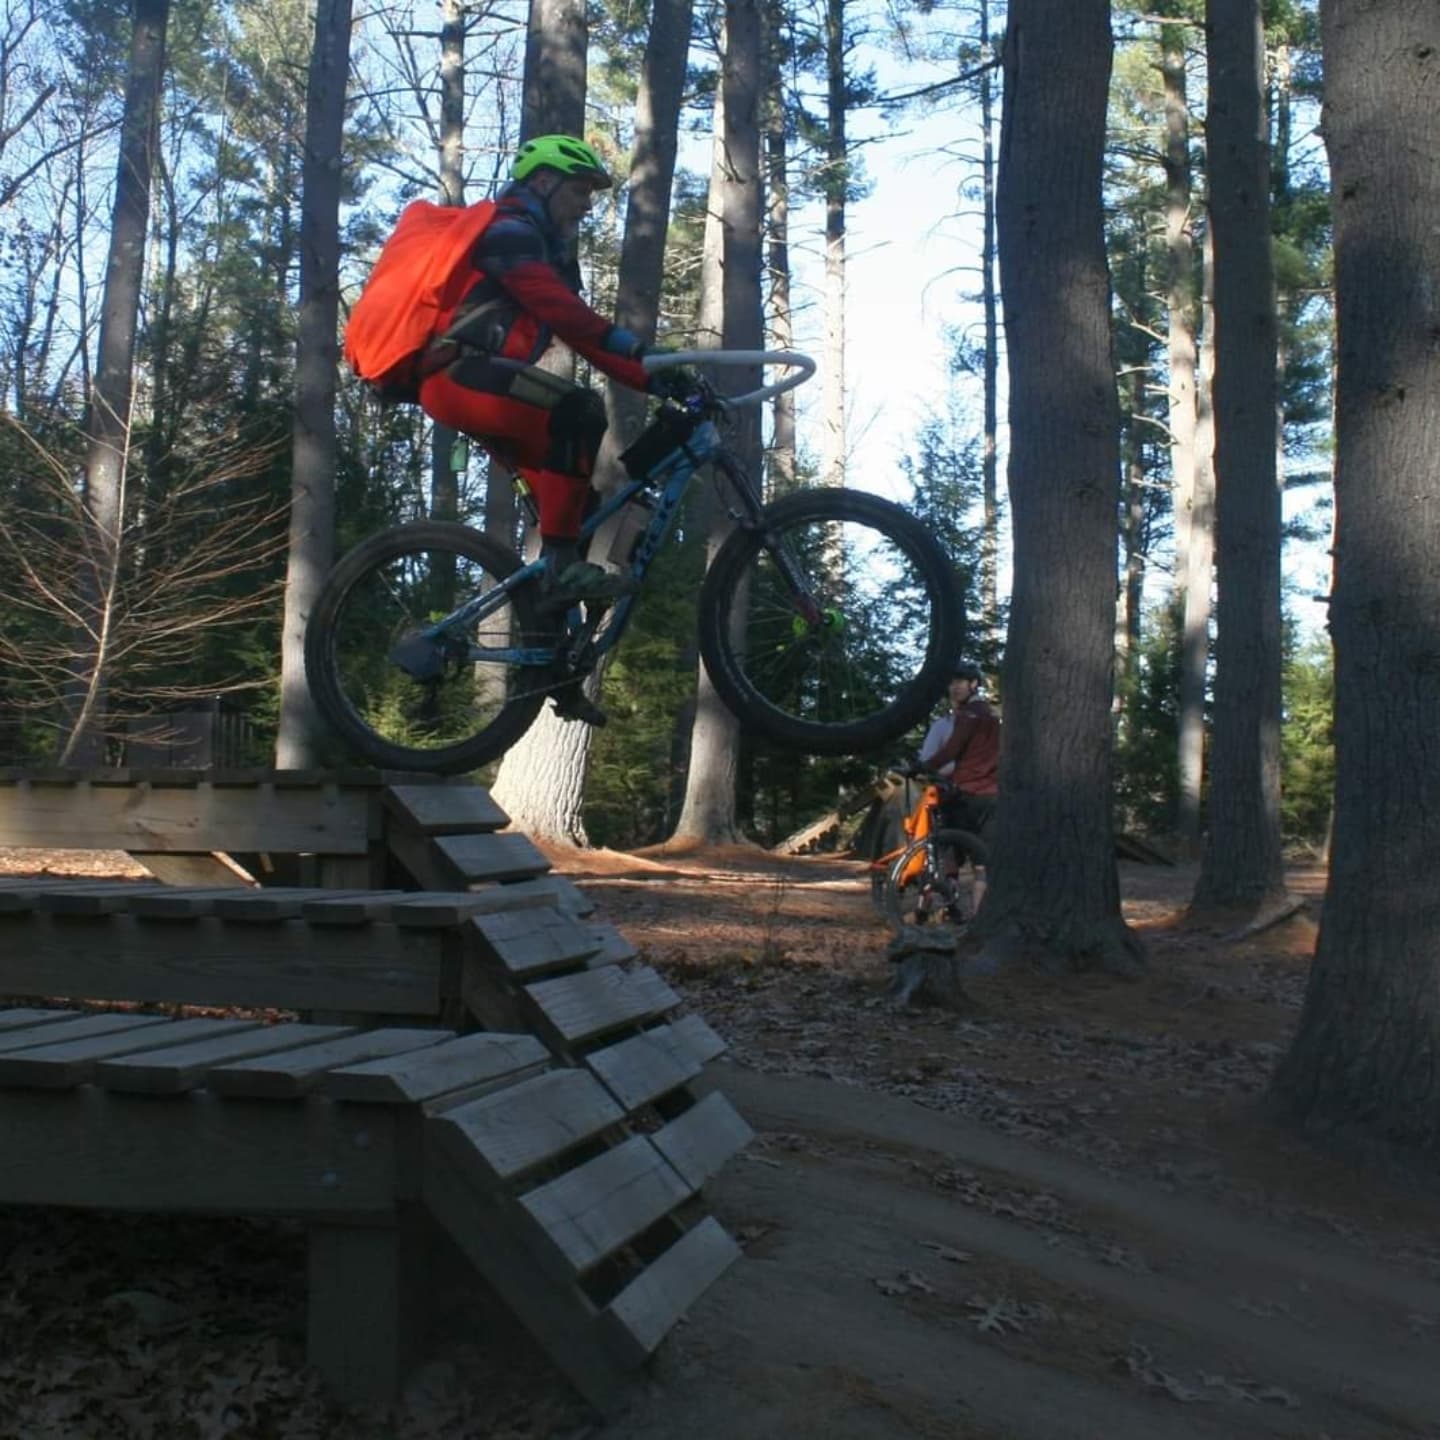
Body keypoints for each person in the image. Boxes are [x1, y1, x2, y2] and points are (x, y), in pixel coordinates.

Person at [416, 134, 688, 726]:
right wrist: (642, 356)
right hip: (454, 376)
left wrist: (657, 378)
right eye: (580, 190)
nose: (587, 205)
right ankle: (560, 574)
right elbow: (568, 317)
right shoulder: (510, 230)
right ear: (542, 182)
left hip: (481, 380)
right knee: (579, 412)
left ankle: (556, 667)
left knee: (580, 505)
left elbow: (582, 338)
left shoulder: (544, 246)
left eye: (592, 193)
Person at [918, 660, 1000, 910]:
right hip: (992, 795)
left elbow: (951, 750)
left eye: (960, 682)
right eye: (952, 683)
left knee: (951, 848)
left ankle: (949, 905)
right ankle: (979, 916)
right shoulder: (993, 718)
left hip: (965, 792)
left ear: (973, 684)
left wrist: (924, 767)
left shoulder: (967, 716)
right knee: (983, 860)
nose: (954, 687)